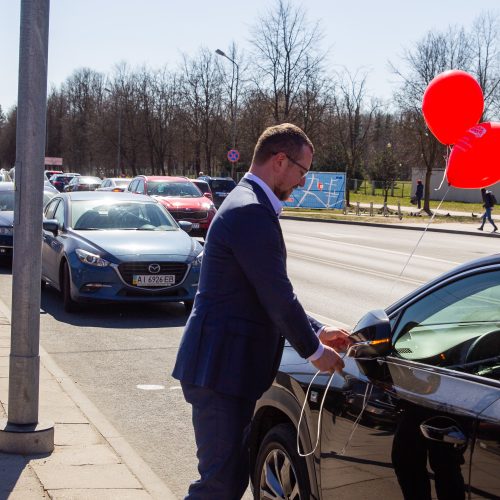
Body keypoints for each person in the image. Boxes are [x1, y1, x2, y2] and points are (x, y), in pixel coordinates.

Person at [172, 123, 352, 499]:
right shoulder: (250, 211)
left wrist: (316, 330)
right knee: (218, 485)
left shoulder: (247, 203)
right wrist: (315, 352)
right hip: (220, 370)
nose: (302, 182)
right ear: (280, 161)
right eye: (302, 171)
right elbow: (276, 296)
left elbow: (263, 292)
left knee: (229, 480)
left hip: (225, 368)